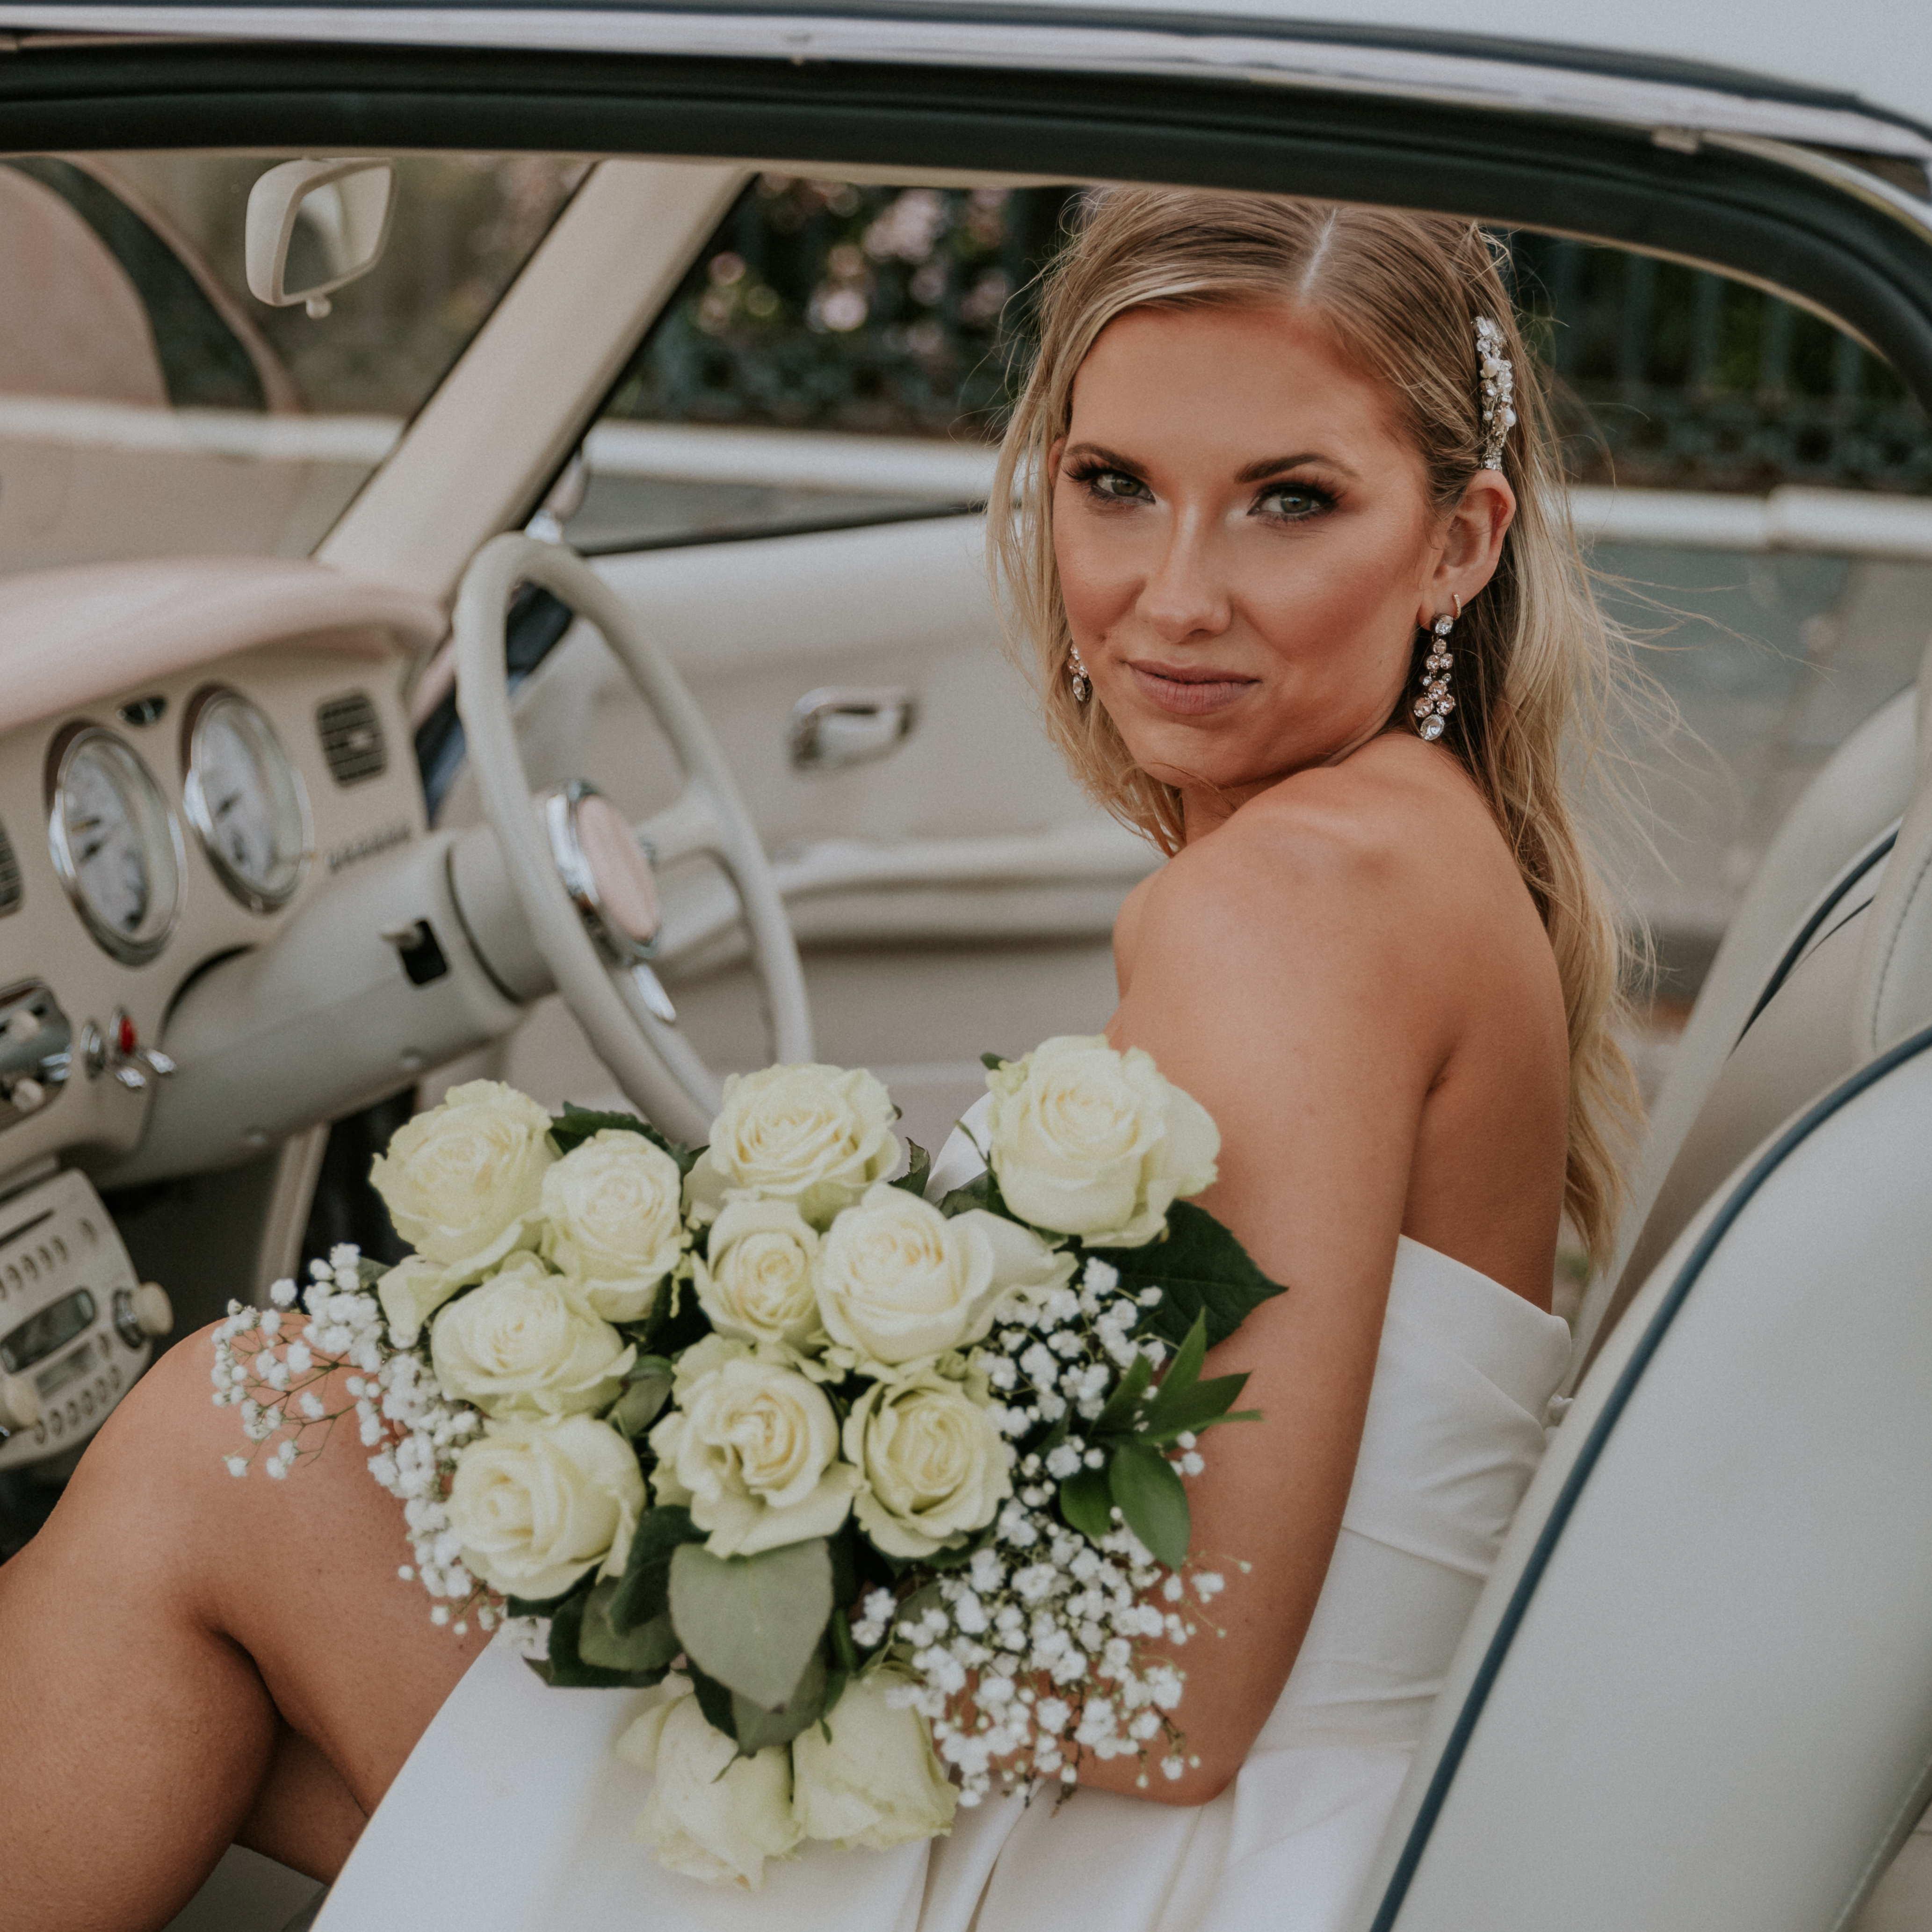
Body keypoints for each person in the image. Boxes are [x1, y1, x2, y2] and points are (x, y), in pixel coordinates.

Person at [0, 188, 1639, 1932]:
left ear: (1458, 541)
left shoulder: (1284, 908)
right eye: (1113, 485)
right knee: (224, 1656)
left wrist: (706, 1519)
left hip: (1139, 1868)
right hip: (1310, 1818)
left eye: (1288, 502)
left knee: (219, 1436)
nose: (1173, 594)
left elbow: (1168, 1695)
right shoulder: (1415, 840)